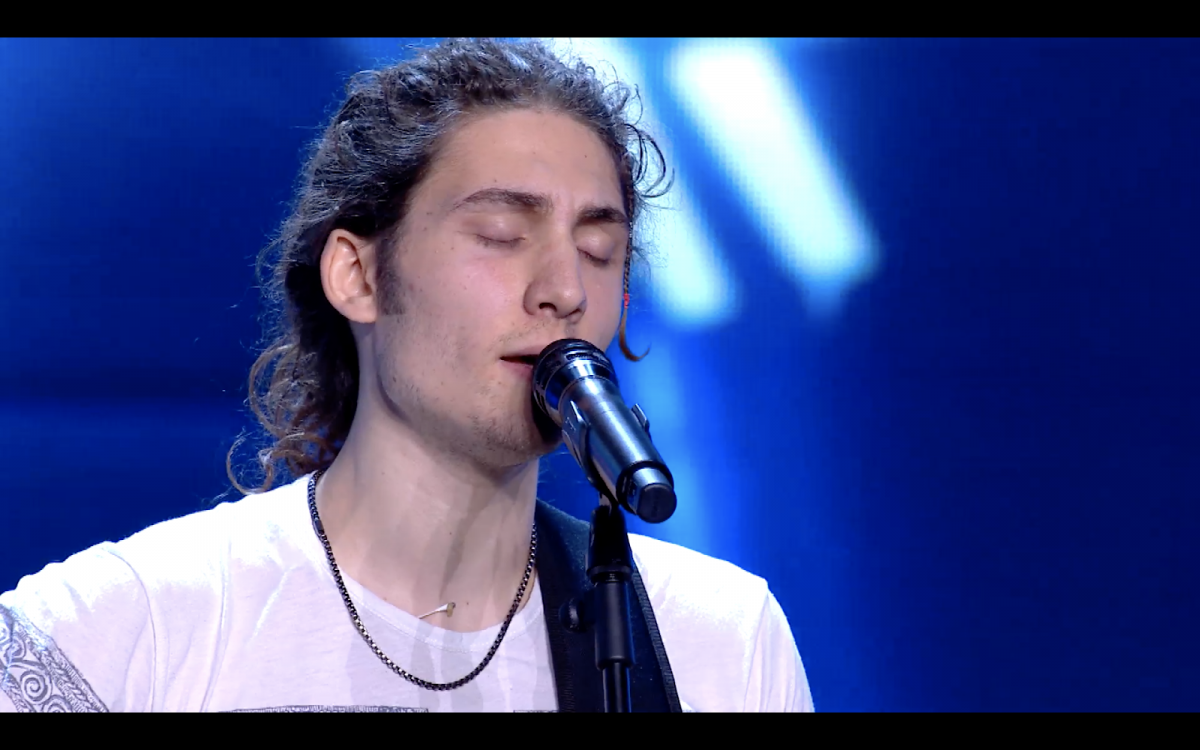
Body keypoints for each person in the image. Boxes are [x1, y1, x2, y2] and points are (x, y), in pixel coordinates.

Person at [0, 37, 814, 712]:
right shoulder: (118, 631)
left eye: (599, 249)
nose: (565, 288)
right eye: (501, 235)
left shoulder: (720, 641)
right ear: (357, 275)